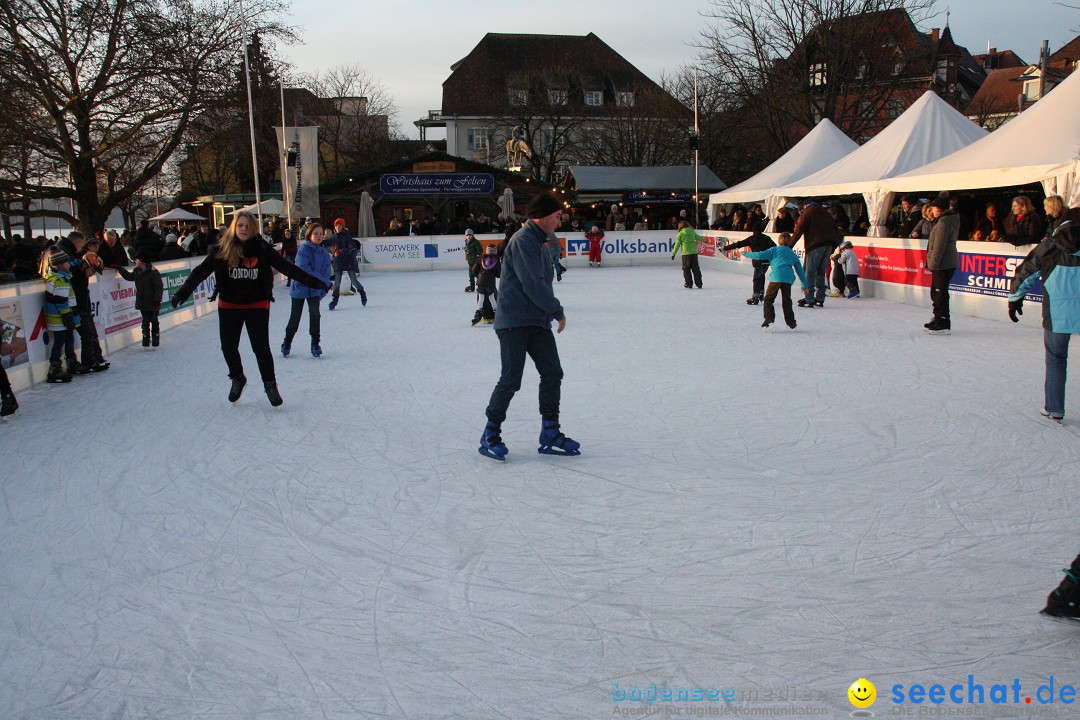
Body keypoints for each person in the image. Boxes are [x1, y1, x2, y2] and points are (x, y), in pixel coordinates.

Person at [169, 211, 330, 407]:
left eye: (248, 225)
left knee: (261, 347)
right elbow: (200, 272)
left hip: (257, 304)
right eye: (240, 225)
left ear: (254, 228)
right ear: (234, 227)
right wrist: (182, 293)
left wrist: (316, 282)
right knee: (228, 347)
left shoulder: (262, 248)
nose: (244, 229)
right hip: (229, 305)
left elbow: (288, 268)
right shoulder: (222, 249)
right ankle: (237, 377)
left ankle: (270, 384)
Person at [478, 192, 579, 462]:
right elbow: (533, 284)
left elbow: (542, 281)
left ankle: (550, 431)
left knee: (552, 373)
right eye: (557, 217)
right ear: (544, 215)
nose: (559, 223)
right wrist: (557, 310)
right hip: (514, 323)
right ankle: (490, 433)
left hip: (535, 321)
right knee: (511, 379)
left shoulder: (539, 241)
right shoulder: (523, 240)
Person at [1007, 207, 1080, 422]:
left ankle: (1055, 408)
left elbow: (1026, 271)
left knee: (1056, 358)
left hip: (1057, 313)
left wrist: (1015, 298)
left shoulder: (1050, 245)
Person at [56, 231, 108, 372]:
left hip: (81, 306)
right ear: (86, 266)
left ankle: (93, 359)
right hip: (76, 308)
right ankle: (89, 361)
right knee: (86, 334)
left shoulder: (79, 271)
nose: (92, 275)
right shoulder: (74, 274)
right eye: (92, 271)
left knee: (90, 333)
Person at [281, 222, 332, 358]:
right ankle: (287, 342)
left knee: (315, 315)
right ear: (309, 235)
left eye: (321, 234)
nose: (319, 236)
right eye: (316, 233)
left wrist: (323, 287)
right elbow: (305, 270)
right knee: (295, 317)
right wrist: (325, 283)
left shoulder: (325, 254)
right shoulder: (303, 250)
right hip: (300, 288)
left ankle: (315, 343)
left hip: (315, 290)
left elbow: (327, 273)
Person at [742, 232, 808, 331]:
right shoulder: (792, 253)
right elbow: (800, 270)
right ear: (789, 242)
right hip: (788, 279)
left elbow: (759, 255)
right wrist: (804, 285)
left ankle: (769, 320)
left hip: (776, 278)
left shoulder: (774, 250)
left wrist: (746, 254)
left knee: (768, 299)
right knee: (787, 301)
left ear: (779, 240)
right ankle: (791, 322)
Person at [42, 249, 79, 383]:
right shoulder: (59, 280)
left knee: (68, 339)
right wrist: (68, 317)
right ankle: (55, 368)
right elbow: (62, 303)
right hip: (59, 320)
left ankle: (70, 361)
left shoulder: (61, 278)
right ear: (60, 265)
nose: (69, 264)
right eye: (67, 262)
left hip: (61, 319)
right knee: (59, 342)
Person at [793, 201, 839, 308]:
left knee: (810, 272)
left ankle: (809, 298)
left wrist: (788, 246)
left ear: (805, 207)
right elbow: (835, 230)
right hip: (828, 245)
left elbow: (799, 230)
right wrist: (833, 246)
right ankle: (820, 298)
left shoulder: (808, 213)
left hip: (815, 245)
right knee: (821, 272)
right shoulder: (826, 214)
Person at [924, 197, 959, 334]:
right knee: (936, 292)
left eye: (933, 208)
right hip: (943, 263)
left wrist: (933, 263)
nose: (931, 211)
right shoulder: (945, 220)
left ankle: (943, 321)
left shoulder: (944, 222)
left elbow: (939, 246)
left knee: (940, 293)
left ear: (939, 208)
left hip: (943, 263)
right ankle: (938, 317)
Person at [116, 252, 164, 348]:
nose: (135, 261)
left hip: (153, 301)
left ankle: (155, 339)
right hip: (143, 302)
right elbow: (129, 277)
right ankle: (145, 340)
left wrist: (157, 300)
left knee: (154, 320)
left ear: (142, 261)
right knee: (145, 320)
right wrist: (120, 269)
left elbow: (159, 287)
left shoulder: (153, 272)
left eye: (137, 260)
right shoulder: (136, 271)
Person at [721, 230, 774, 304]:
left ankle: (755, 297)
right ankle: (761, 294)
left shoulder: (752, 239)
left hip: (758, 261)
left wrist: (726, 248)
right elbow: (774, 247)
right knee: (762, 276)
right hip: (766, 262)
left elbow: (739, 244)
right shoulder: (767, 238)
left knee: (756, 279)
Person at [327, 218, 366, 310]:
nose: (338, 227)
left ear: (343, 226)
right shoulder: (334, 237)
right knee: (337, 283)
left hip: (348, 261)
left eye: (340, 225)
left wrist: (341, 251)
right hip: (338, 262)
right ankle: (334, 301)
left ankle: (362, 294)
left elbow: (352, 248)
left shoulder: (347, 236)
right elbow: (327, 243)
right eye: (336, 226)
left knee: (354, 281)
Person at [470, 243, 501, 326]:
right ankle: (496, 312)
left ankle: (478, 312)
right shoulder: (496, 260)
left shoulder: (482, 258)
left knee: (481, 298)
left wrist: (478, 275)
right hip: (490, 283)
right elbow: (499, 274)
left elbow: (474, 269)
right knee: (492, 298)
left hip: (481, 282)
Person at [671, 220, 704, 289]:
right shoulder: (691, 231)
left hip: (686, 253)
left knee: (686, 269)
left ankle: (689, 284)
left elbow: (677, 245)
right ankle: (699, 283)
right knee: (695, 268)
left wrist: (673, 254)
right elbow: (697, 237)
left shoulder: (680, 234)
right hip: (694, 252)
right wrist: (704, 240)